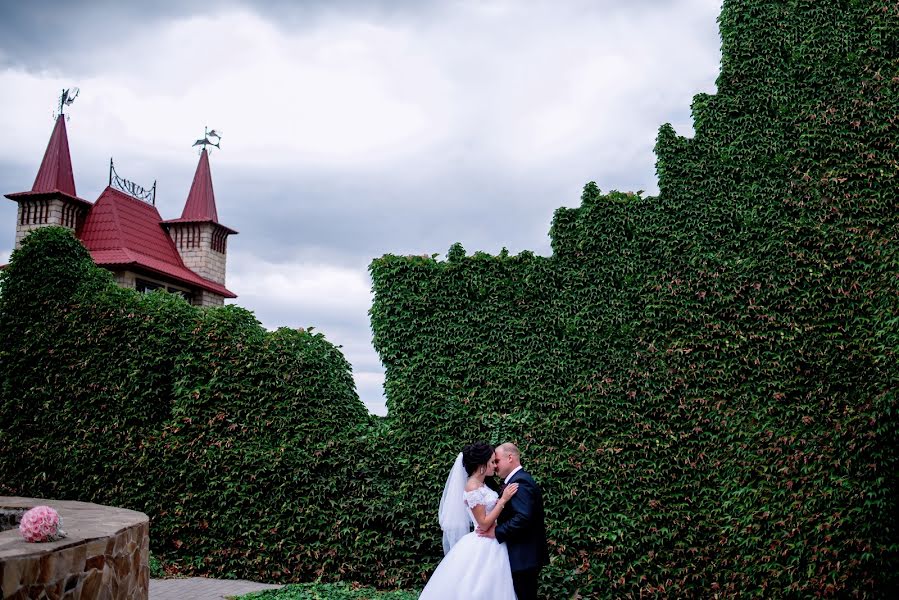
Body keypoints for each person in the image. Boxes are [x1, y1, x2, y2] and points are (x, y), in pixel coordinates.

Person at [419, 442, 520, 600]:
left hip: (494, 541)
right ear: (482, 463)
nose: (495, 466)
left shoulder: (482, 484)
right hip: (483, 542)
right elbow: (484, 523)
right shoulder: (472, 487)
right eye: (492, 462)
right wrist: (503, 500)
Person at [478, 443, 549, 600]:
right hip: (521, 554)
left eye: (497, 461)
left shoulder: (520, 482)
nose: (495, 466)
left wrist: (496, 532)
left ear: (510, 458)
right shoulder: (514, 480)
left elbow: (523, 517)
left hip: (523, 556)